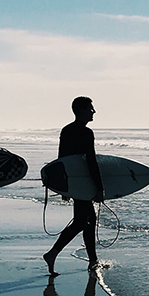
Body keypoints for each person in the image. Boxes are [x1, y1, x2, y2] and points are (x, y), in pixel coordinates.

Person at [42, 97, 104, 275]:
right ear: (82, 110)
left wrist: (64, 186)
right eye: (90, 108)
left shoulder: (67, 130)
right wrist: (100, 188)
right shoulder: (86, 133)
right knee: (80, 222)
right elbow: (91, 162)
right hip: (84, 183)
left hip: (74, 182)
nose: (93, 111)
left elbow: (61, 159)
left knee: (88, 220)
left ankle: (93, 261)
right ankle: (52, 253)